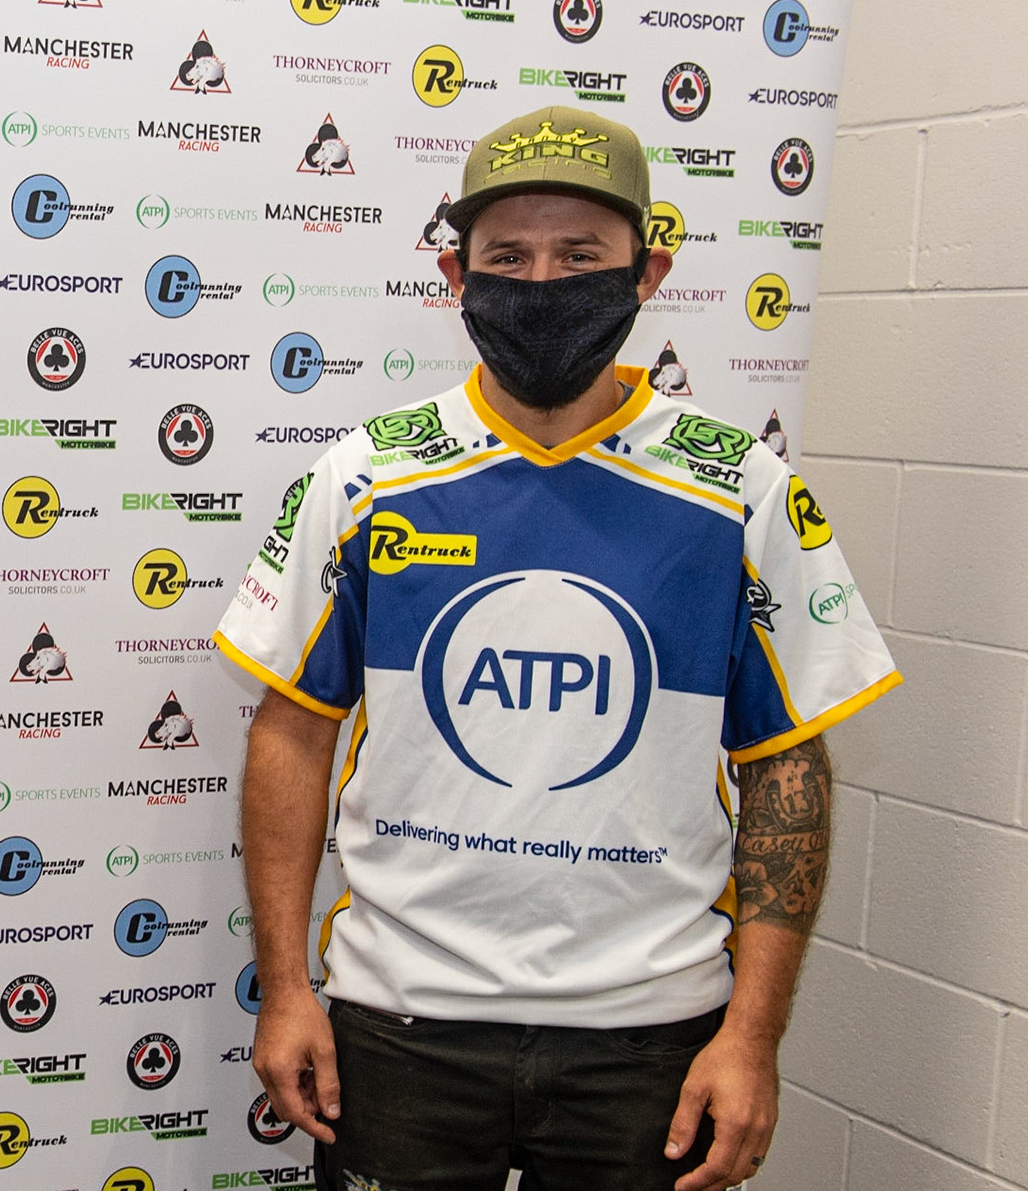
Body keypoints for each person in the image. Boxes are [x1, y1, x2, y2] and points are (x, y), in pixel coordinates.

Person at [217, 106, 900, 1191]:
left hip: (654, 1036)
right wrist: (288, 988)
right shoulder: (366, 477)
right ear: (456, 275)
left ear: (647, 272)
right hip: (400, 1022)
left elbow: (787, 764)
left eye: (580, 256)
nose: (541, 283)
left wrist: (752, 1035)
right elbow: (291, 731)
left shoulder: (742, 490)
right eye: (508, 257)